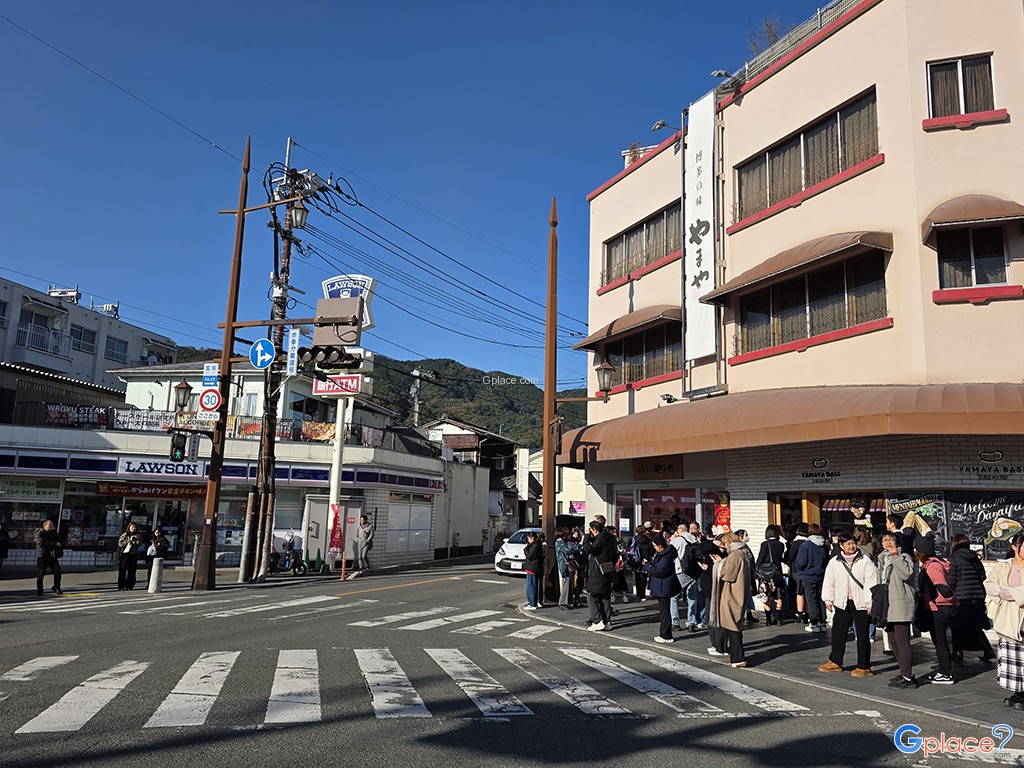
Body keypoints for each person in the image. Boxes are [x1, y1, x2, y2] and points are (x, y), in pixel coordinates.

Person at [820, 531, 877, 676]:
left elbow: (872, 582)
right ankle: (835, 661)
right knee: (838, 633)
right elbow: (829, 581)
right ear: (841, 545)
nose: (851, 546)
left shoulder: (865, 560)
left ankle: (863, 665)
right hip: (842, 601)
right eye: (848, 544)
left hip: (861, 602)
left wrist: (870, 602)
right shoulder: (835, 561)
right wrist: (828, 598)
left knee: (862, 635)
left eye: (853, 543)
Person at [983, 533, 1024, 711]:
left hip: (1021, 618)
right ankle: (1019, 691)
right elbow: (989, 584)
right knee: (1011, 657)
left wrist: (1009, 593)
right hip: (1006, 616)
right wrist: (1004, 593)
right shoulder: (1003, 566)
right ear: (1015, 547)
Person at [947, 533, 997, 665]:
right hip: (977, 596)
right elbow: (982, 576)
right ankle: (987, 650)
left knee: (956, 625)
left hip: (961, 597)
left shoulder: (954, 559)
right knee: (975, 626)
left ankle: (958, 652)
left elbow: (951, 580)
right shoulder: (975, 558)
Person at [879, 532, 918, 688]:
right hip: (886, 604)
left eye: (891, 539)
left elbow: (906, 574)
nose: (888, 542)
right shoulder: (881, 558)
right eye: (885, 540)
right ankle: (904, 672)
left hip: (900, 603)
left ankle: (908, 676)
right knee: (893, 640)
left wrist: (895, 556)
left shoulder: (904, 557)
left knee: (902, 641)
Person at [915, 536, 955, 684]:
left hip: (938, 608)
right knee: (938, 640)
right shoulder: (931, 564)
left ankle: (946, 673)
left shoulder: (932, 566)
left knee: (940, 641)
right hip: (936, 606)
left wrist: (945, 599)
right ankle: (943, 670)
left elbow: (942, 586)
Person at [707, 532, 750, 667]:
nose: (724, 546)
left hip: (733, 595)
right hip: (736, 593)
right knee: (733, 625)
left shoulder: (736, 554)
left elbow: (727, 575)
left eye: (725, 543)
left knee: (733, 627)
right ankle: (735, 656)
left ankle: (738, 658)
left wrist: (719, 564)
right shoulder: (741, 552)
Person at [646, 533, 681, 643]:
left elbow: (659, 571)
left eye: (655, 545)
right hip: (662, 586)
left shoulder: (666, 557)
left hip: (664, 586)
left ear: (660, 546)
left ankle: (666, 635)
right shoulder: (662, 555)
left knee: (665, 612)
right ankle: (666, 634)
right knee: (664, 611)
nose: (654, 548)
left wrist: (648, 566)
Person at [583, 520, 616, 631]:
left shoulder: (601, 539)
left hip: (598, 571)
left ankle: (597, 620)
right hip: (608, 569)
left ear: (595, 530)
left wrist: (587, 537)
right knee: (605, 596)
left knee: (591, 594)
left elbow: (589, 549)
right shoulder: (610, 538)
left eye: (591, 530)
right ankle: (607, 622)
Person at [795, 523, 828, 633]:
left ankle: (814, 623)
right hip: (820, 574)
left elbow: (801, 562)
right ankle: (823, 622)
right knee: (820, 598)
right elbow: (825, 560)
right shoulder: (824, 545)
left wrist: (800, 568)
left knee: (811, 599)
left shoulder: (806, 545)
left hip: (808, 575)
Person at [754, 525, 786, 626]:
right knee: (778, 595)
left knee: (767, 596)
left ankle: (768, 619)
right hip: (777, 573)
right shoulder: (781, 545)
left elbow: (760, 559)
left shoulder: (764, 544)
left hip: (765, 575)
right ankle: (778, 618)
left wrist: (756, 570)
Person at [786, 522, 810, 623]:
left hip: (796, 571)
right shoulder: (810, 543)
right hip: (809, 571)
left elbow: (790, 557)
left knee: (798, 592)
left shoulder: (796, 543)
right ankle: (807, 613)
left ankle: (799, 613)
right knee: (807, 593)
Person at [34, 519, 63, 596]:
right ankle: (39, 589)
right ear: (45, 526)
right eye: (49, 525)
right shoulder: (39, 533)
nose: (51, 526)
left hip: (52, 555)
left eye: (52, 525)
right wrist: (53, 543)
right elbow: (41, 543)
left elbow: (60, 540)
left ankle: (56, 587)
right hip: (42, 556)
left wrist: (58, 542)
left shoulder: (53, 533)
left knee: (57, 571)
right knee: (40, 574)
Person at [554, 527, 581, 610]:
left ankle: (568, 601)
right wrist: (579, 545)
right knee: (565, 584)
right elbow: (568, 550)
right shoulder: (560, 543)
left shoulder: (561, 542)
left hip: (566, 565)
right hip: (563, 566)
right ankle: (563, 602)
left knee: (568, 583)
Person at [629, 524, 654, 602]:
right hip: (646, 559)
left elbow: (629, 548)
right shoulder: (648, 540)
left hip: (637, 560)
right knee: (644, 577)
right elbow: (652, 550)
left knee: (637, 576)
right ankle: (643, 595)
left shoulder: (634, 539)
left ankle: (639, 594)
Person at [117, 522, 143, 591]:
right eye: (132, 527)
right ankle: (121, 586)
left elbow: (140, 544)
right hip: (125, 554)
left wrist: (136, 541)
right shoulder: (125, 535)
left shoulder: (138, 535)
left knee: (132, 571)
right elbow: (120, 544)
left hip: (133, 554)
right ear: (129, 527)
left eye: (134, 527)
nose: (133, 528)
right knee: (122, 570)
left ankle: (130, 585)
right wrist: (129, 540)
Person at [523, 531, 543, 610]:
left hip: (532, 568)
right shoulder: (536, 544)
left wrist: (525, 549)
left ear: (532, 538)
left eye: (529, 538)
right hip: (532, 567)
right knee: (532, 585)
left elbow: (530, 556)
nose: (528, 540)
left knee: (531, 586)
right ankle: (533, 602)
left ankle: (532, 603)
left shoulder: (535, 545)